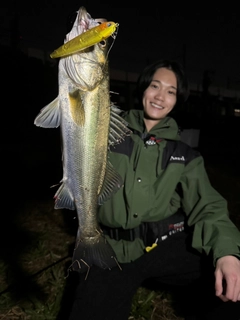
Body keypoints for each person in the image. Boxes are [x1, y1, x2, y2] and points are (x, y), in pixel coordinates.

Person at [67, 59, 240, 320]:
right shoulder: (105, 131)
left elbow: (208, 206)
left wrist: (227, 253)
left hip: (160, 246)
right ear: (143, 89)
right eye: (155, 86)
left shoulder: (185, 154)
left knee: (231, 273)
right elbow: (75, 114)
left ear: (177, 100)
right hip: (109, 250)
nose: (161, 96)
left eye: (171, 91)